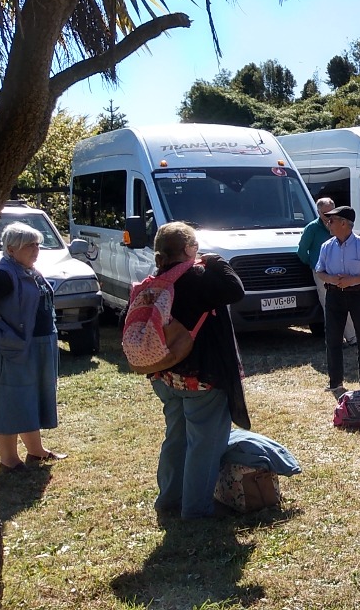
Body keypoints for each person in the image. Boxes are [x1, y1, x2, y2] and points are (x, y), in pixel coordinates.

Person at [146, 222, 252, 518]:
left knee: (176, 437)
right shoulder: (197, 276)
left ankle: (169, 499)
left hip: (165, 374)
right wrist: (217, 261)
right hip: (200, 377)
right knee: (204, 444)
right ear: (188, 249)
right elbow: (236, 290)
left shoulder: (157, 278)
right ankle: (196, 509)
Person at [0, 222, 65, 472]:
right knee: (12, 400)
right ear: (11, 249)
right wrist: (1, 334)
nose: (36, 250)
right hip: (16, 349)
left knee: (30, 397)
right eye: (29, 245)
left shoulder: (29, 270)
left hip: (39, 345)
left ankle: (36, 451)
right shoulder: (3, 275)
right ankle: (9, 460)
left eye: (37, 244)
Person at [313, 206, 360, 394]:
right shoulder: (327, 246)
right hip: (334, 295)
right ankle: (335, 382)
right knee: (333, 338)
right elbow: (319, 271)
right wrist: (332, 279)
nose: (328, 224)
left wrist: (354, 280)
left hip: (358, 294)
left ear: (344, 223)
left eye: (331, 220)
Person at [298, 197, 356, 346]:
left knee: (346, 303)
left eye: (332, 212)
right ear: (318, 212)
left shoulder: (340, 225)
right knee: (329, 305)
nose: (329, 216)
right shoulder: (312, 228)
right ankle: (336, 339)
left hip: (340, 271)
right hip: (323, 273)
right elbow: (302, 251)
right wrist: (313, 264)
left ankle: (352, 337)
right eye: (325, 213)